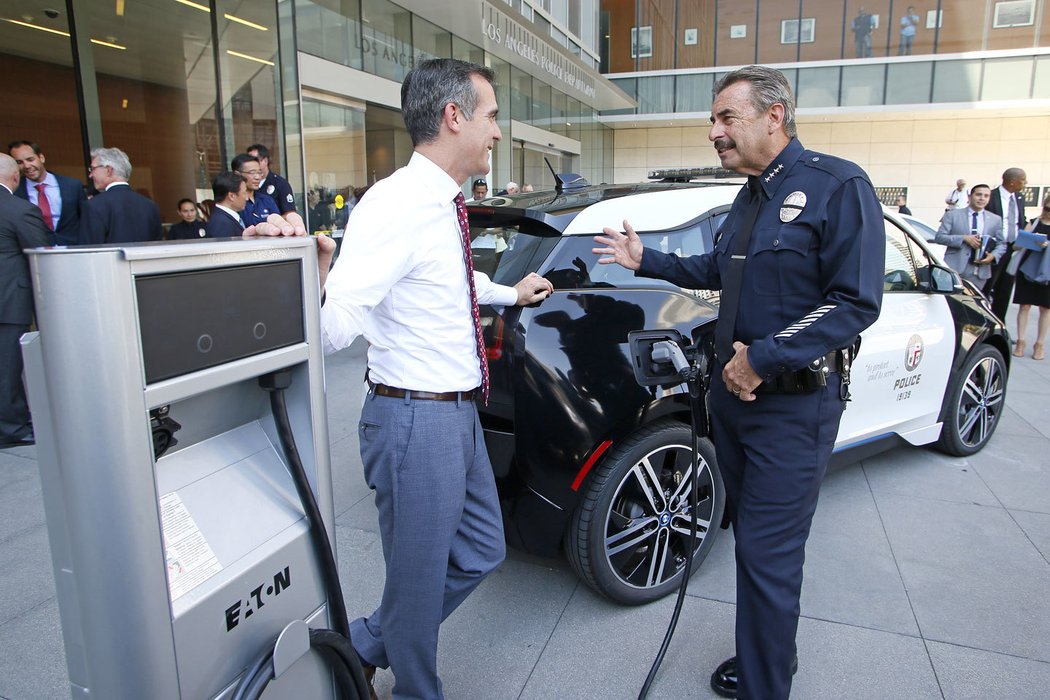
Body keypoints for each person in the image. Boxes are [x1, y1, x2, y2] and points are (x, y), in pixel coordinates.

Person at [250, 58, 553, 699]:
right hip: (415, 420)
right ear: (454, 117)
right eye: (492, 116)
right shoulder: (394, 205)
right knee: (416, 586)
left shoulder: (439, 203)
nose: (498, 131)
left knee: (481, 550)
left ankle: (365, 641)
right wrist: (308, 271)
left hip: (454, 413)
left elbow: (446, 281)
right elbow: (330, 330)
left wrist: (508, 292)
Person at [593, 65, 884, 700]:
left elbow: (854, 302)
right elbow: (716, 269)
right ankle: (771, 655)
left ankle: (764, 684)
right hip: (733, 407)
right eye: (714, 121)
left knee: (767, 553)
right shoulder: (747, 199)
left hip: (793, 410)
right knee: (752, 542)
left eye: (727, 119)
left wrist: (766, 357)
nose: (714, 133)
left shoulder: (838, 186)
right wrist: (649, 260)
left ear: (774, 115)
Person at [0, 154, 52, 448]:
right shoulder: (18, 210)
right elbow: (41, 254)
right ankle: (11, 427)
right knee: (6, 367)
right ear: (15, 177)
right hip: (8, 299)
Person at [8, 140, 87, 246]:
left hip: (73, 250)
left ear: (41, 158)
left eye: (30, 159)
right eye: (19, 162)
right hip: (37, 253)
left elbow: (85, 220)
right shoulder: (15, 191)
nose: (26, 166)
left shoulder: (72, 186)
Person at [80, 147, 163, 244]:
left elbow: (90, 251)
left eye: (93, 169)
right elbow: (157, 247)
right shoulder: (151, 206)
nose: (90, 175)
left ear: (108, 170)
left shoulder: (94, 206)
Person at [935, 184, 1005, 287]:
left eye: (986, 196)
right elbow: (939, 237)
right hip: (955, 268)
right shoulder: (953, 215)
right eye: (978, 195)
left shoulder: (995, 219)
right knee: (951, 301)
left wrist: (993, 256)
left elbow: (1002, 244)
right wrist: (963, 238)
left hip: (979, 272)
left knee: (973, 302)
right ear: (970, 197)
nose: (982, 198)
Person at [984, 167, 1027, 322]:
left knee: (1005, 290)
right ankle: (983, 323)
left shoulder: (1019, 198)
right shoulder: (991, 196)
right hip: (994, 249)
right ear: (1012, 182)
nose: (1025, 183)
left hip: (1013, 249)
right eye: (1023, 180)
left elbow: (1019, 222)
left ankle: (999, 324)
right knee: (987, 287)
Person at [1011, 195, 1050, 360]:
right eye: (1048, 209)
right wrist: (1034, 241)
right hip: (1027, 269)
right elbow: (1017, 244)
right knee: (1024, 306)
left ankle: (1039, 344)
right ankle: (1021, 341)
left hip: (1047, 271)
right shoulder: (1033, 222)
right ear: (1043, 206)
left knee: (1045, 309)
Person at [246, 143, 296, 214]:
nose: (252, 164)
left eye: (255, 160)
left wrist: (272, 223)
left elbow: (290, 213)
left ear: (265, 161)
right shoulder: (244, 184)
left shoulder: (280, 183)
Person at [205, 172, 250, 238]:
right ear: (231, 196)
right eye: (244, 192)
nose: (247, 198)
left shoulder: (224, 218)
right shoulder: (221, 224)